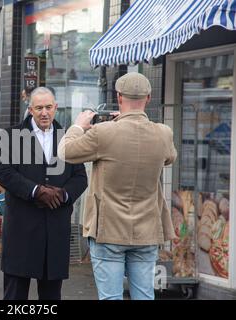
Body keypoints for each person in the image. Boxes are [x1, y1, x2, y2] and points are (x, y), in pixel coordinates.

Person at [58, 72, 177, 300]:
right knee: (144, 295)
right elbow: (169, 157)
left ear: (119, 97)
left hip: (108, 230)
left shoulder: (103, 133)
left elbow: (65, 151)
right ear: (148, 98)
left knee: (110, 297)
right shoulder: (163, 133)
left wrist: (78, 126)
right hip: (147, 230)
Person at [0, 87, 87, 300]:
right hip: (21, 229)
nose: (44, 113)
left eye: (48, 107)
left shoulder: (68, 138)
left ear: (55, 107)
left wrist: (63, 194)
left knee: (51, 296)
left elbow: (81, 178)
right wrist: (35, 191)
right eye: (39, 108)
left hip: (55, 229)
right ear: (30, 109)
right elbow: (4, 173)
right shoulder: (12, 135)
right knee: (15, 295)